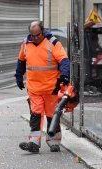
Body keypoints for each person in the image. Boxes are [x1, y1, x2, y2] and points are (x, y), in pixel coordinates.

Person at [14, 21, 70, 153]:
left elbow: (64, 60)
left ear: (43, 31)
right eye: (32, 35)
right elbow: (21, 61)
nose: (35, 38)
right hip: (34, 87)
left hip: (51, 87)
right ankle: (34, 142)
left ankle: (54, 142)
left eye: (38, 35)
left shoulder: (53, 43)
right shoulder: (26, 44)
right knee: (36, 114)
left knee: (52, 115)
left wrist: (65, 75)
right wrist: (18, 76)